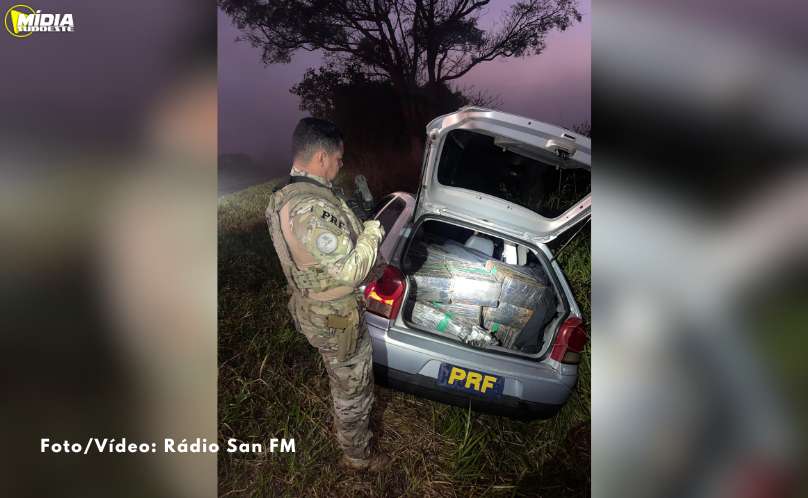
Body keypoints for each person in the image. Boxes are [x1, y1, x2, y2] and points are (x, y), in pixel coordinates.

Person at [265, 117, 389, 471]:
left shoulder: (290, 193)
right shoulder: (309, 207)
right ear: (321, 156)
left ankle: (351, 439)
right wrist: (372, 231)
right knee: (353, 388)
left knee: (341, 376)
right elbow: (349, 270)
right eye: (338, 159)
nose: (341, 164)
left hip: (315, 309)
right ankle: (357, 456)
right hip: (335, 319)